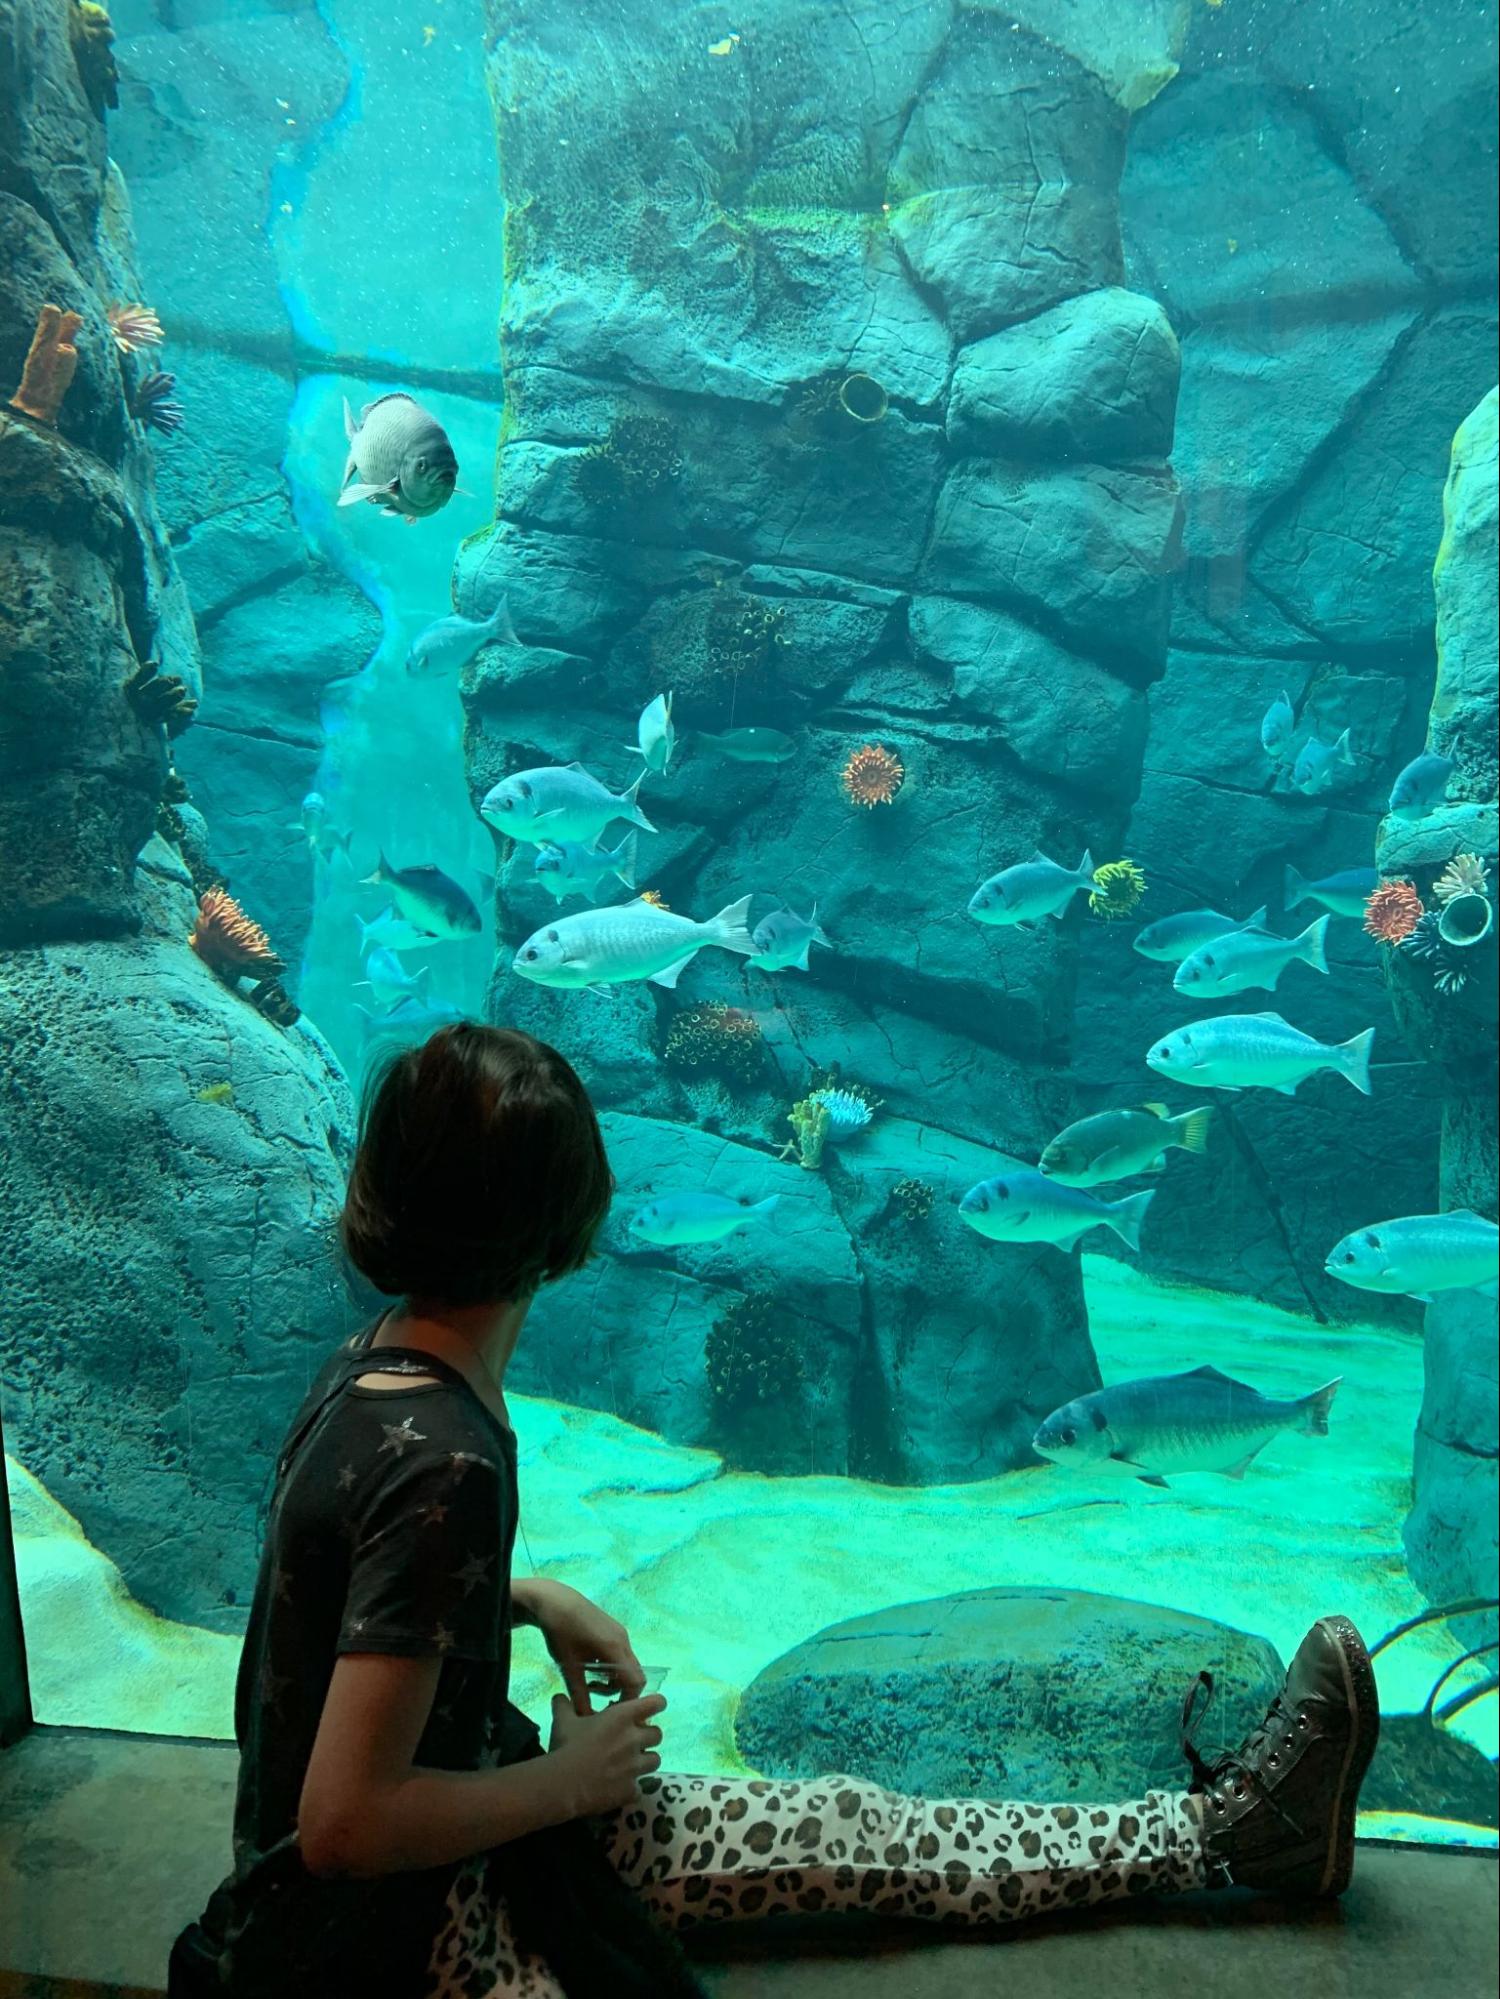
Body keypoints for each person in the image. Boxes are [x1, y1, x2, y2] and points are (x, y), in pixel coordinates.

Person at [172, 1023, 1380, 1999]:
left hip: (394, 1878)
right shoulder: (449, 1462)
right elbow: (345, 1822)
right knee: (851, 1848)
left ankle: (1228, 1829)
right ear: (573, 1228)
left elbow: (337, 1609)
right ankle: (1222, 1832)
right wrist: (573, 1783)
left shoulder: (370, 1368)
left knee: (850, 1821)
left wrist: (523, 1598)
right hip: (398, 1938)